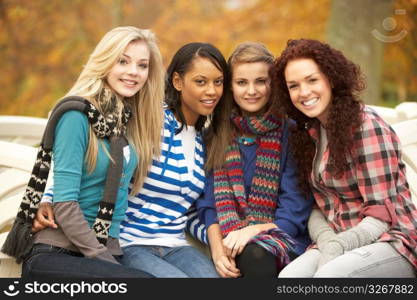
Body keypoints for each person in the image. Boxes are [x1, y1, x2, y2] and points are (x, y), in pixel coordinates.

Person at [33, 42, 228, 278]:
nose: (212, 91)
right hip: (128, 241)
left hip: (175, 244)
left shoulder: (204, 141)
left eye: (218, 82)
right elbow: (95, 154)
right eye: (201, 81)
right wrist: (48, 196)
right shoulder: (149, 120)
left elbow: (192, 210)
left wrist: (224, 242)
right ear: (177, 82)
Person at [2, 26, 166, 278]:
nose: (133, 71)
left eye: (142, 65)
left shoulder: (126, 121)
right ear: (105, 62)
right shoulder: (75, 116)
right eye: (123, 61)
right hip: (57, 252)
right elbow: (66, 203)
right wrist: (107, 261)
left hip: (102, 251)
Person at [273, 38, 417, 277]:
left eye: (312, 80)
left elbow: (382, 213)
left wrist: (338, 248)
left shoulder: (366, 127)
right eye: (294, 85)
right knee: (289, 278)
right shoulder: (309, 133)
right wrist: (329, 241)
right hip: (337, 239)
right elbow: (317, 206)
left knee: (330, 277)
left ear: (331, 78)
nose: (304, 92)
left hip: (390, 241)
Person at [197, 42, 314, 278]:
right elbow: (209, 202)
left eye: (261, 81)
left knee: (254, 254)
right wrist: (218, 250)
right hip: (231, 235)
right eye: (242, 82)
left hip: (280, 237)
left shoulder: (292, 133)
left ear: (274, 84)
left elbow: (294, 209)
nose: (252, 91)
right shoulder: (215, 135)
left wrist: (252, 231)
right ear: (230, 86)